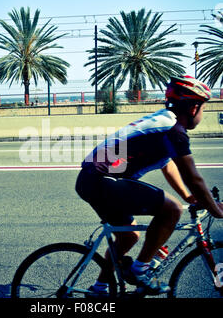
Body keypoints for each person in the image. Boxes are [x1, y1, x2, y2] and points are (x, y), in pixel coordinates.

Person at [75, 75, 223, 295]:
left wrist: (188, 196)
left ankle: (99, 289)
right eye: (204, 109)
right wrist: (216, 210)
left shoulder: (163, 121)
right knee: (171, 210)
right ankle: (140, 271)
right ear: (194, 108)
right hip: (103, 181)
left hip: (90, 181)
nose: (202, 114)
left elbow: (168, 165)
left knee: (128, 236)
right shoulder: (174, 130)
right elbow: (194, 177)